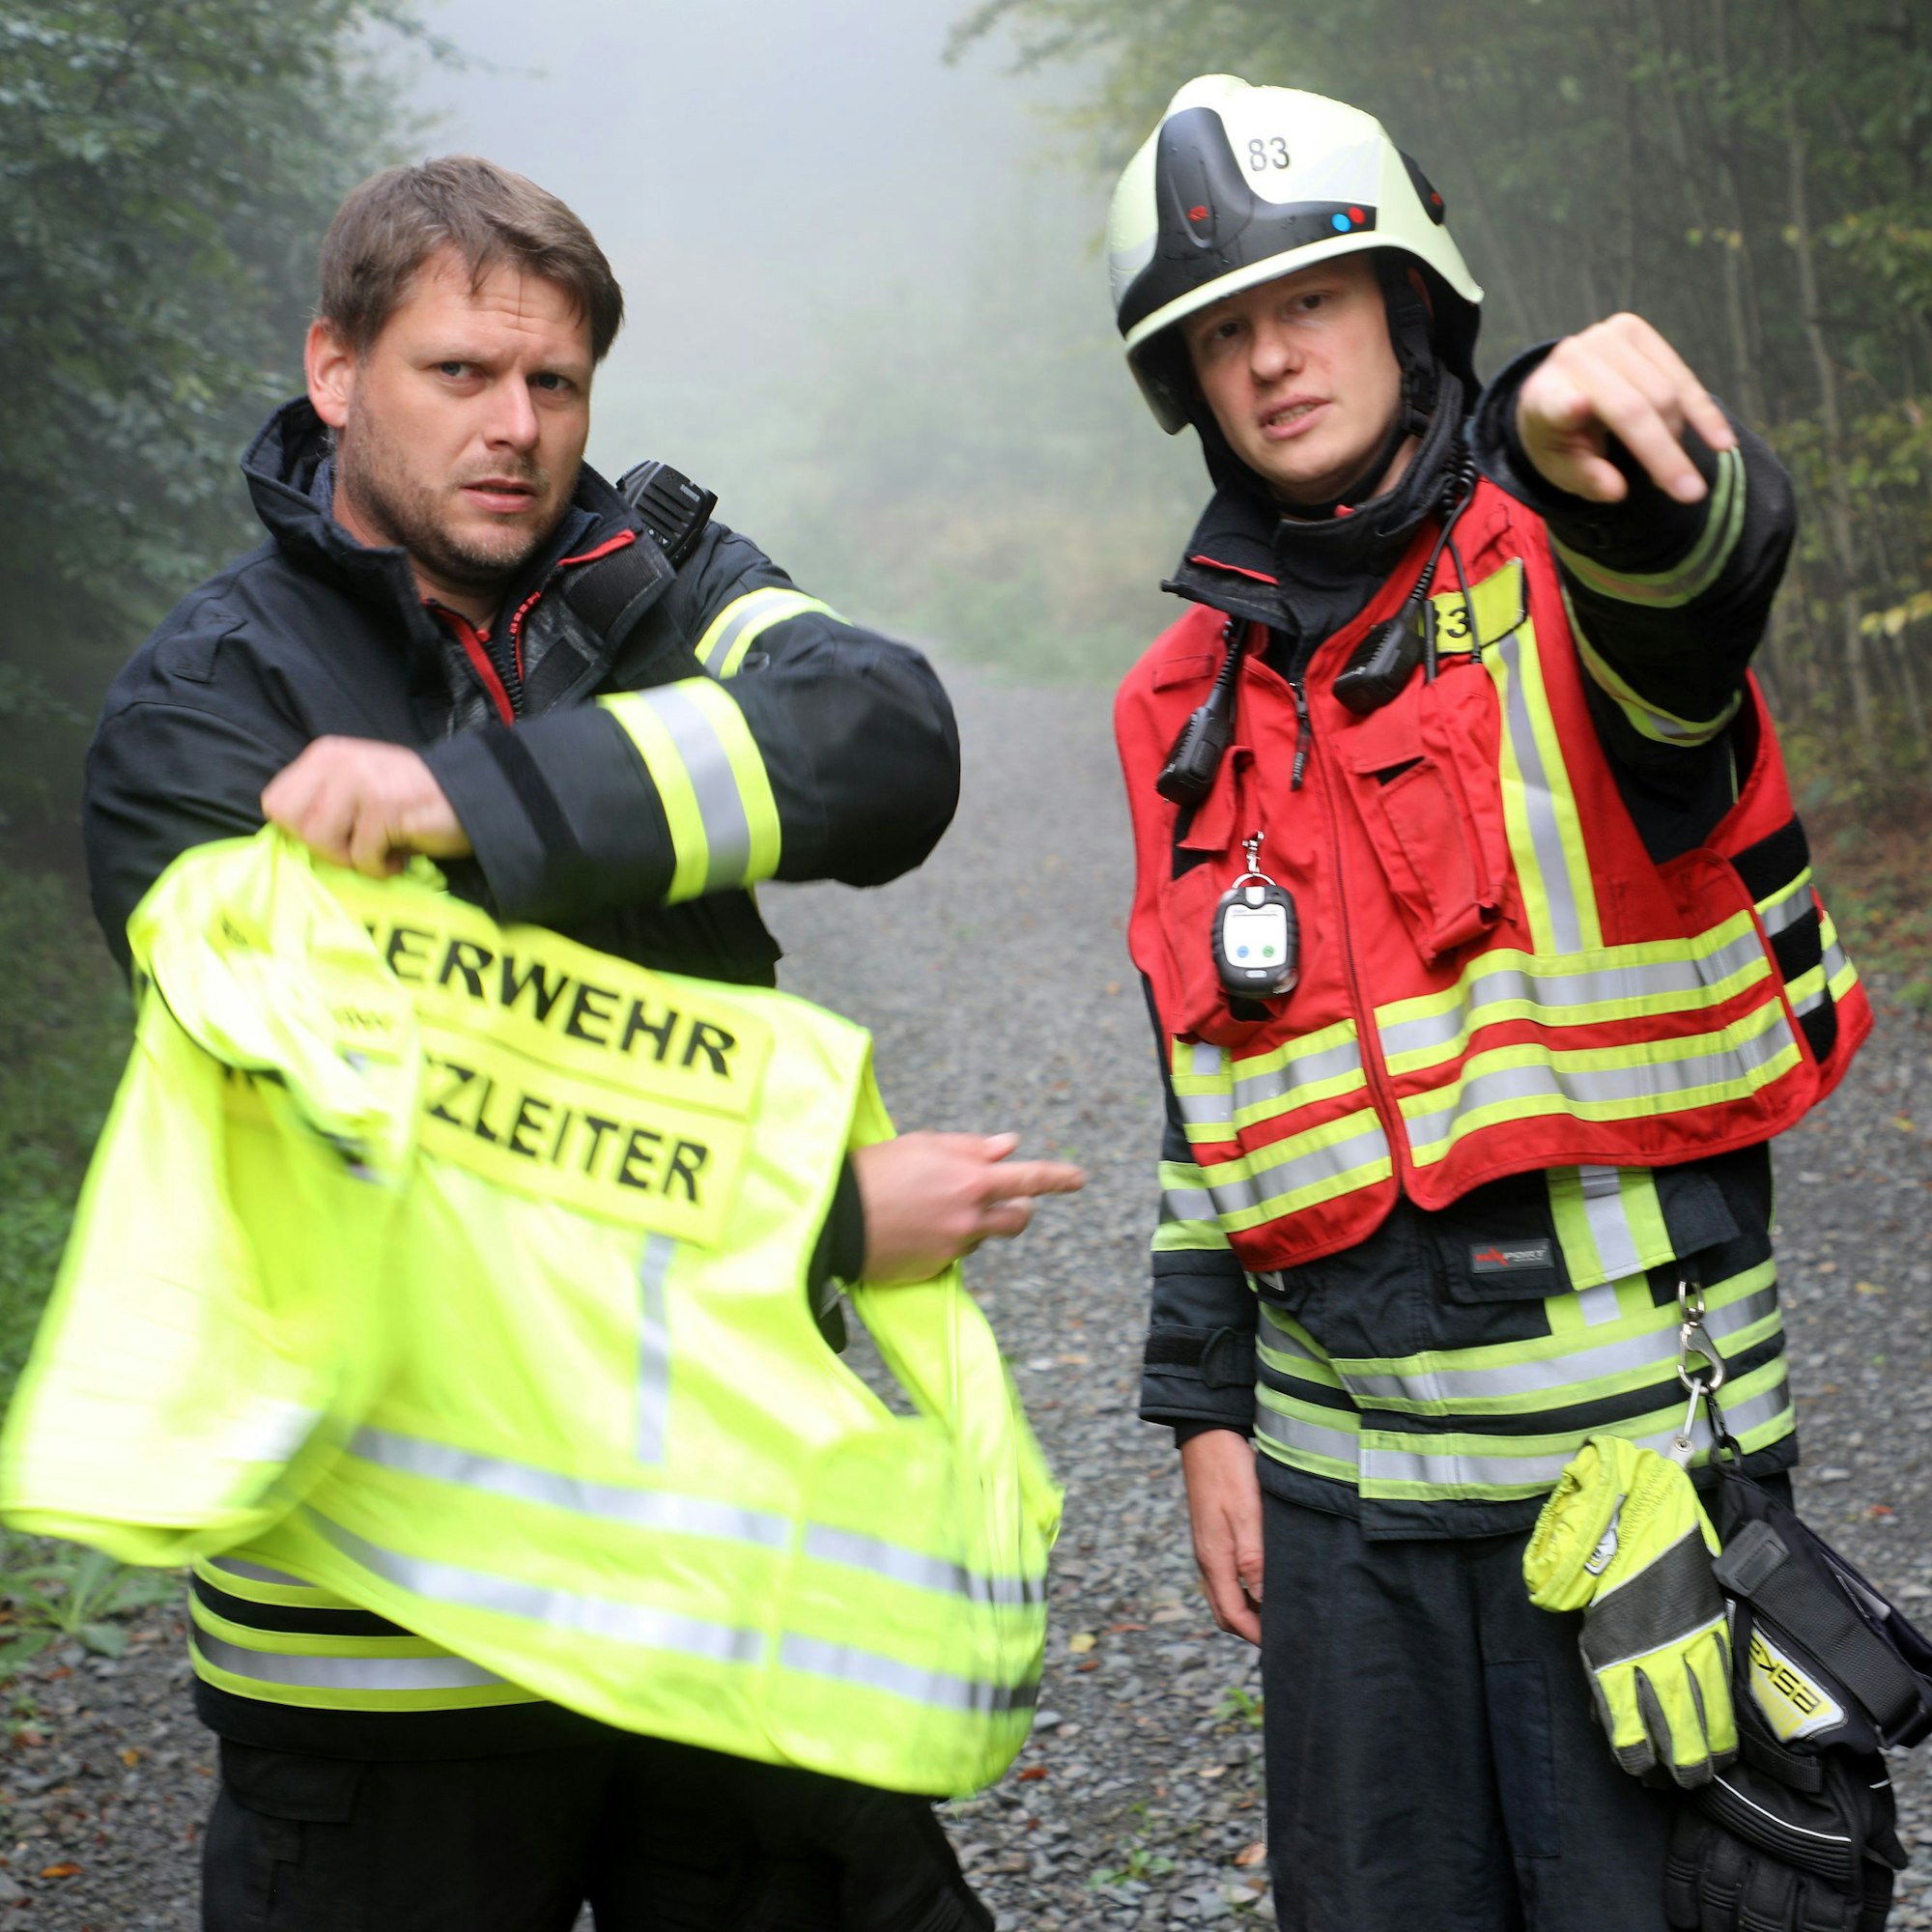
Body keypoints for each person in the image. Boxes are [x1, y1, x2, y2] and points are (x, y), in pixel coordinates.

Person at [82, 155, 1080, 1931]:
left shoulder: (660, 584)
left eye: (554, 384)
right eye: (457, 374)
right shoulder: (199, 705)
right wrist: (817, 1221)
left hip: (718, 1591)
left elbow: (889, 738)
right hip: (388, 1659)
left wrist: (470, 797)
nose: (516, 426)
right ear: (334, 371)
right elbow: (393, 1150)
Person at [1107, 78, 1869, 1931]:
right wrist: (1206, 1406)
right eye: (1222, 334)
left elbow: (1694, 570)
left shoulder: (1562, 571)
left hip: (1633, 1490)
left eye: (1310, 300)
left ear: (1407, 302)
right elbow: (1209, 1082)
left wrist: (1566, 425)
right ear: (1186, 385)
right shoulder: (1174, 702)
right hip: (1341, 1515)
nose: (1273, 360)